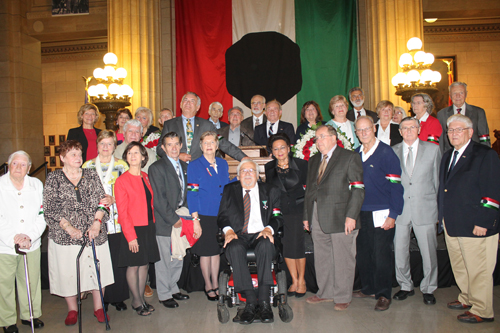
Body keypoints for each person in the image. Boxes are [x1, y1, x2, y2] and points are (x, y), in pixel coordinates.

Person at [438, 114, 500, 324]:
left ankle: (483, 310)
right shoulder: (448, 155)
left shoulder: (485, 155)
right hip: (453, 223)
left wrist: (484, 221)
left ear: (470, 132)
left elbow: (492, 192)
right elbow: (444, 190)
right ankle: (467, 298)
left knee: (478, 269)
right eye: (450, 131)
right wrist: (442, 217)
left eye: (458, 130)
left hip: (475, 224)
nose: (453, 134)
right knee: (461, 265)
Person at [43, 140, 113, 326]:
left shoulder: (91, 175)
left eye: (79, 153)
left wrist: (97, 223)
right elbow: (50, 208)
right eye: (72, 154)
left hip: (94, 232)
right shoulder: (54, 178)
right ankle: (72, 309)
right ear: (62, 157)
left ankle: (99, 307)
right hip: (65, 236)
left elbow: (103, 201)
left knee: (97, 270)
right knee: (68, 273)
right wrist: (68, 228)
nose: (78, 157)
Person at [302, 125, 364, 310]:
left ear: (333, 138)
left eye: (321, 137)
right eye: (316, 138)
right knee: (322, 256)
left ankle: (343, 296)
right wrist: (306, 216)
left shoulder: (349, 157)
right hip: (317, 215)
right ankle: (326, 293)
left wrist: (351, 216)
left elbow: (358, 189)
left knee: (343, 257)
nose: (318, 141)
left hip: (342, 217)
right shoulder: (313, 160)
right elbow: (310, 191)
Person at [218, 160, 283, 324]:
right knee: (234, 249)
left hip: (261, 233)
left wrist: (269, 228)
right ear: (238, 176)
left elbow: (277, 216)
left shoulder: (270, 191)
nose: (247, 174)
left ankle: (263, 302)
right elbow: (222, 216)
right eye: (244, 171)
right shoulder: (229, 190)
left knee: (267, 245)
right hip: (238, 234)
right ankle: (250, 303)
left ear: (258, 175)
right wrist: (229, 231)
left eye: (251, 171)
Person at [353, 116, 404, 311]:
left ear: (374, 129)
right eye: (360, 130)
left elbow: (396, 187)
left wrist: (393, 214)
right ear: (356, 133)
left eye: (367, 129)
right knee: (364, 253)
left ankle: (383, 294)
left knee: (381, 254)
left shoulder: (386, 152)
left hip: (382, 212)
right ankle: (368, 288)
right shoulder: (356, 154)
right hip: (362, 213)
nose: (364, 133)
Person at [392, 117, 441, 305]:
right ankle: (405, 285)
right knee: (400, 250)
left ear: (419, 129)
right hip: (401, 210)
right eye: (404, 128)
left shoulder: (433, 149)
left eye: (412, 127)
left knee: (428, 251)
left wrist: (437, 209)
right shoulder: (392, 151)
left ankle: (429, 288)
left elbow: (437, 181)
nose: (409, 130)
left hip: (425, 208)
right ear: (400, 131)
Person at [82, 130, 130, 312]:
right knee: (99, 260)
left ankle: (117, 297)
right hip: (94, 220)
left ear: (114, 146)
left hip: (116, 220)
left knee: (117, 260)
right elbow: (82, 194)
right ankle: (101, 299)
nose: (106, 147)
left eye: (110, 144)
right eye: (102, 144)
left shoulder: (121, 165)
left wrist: (114, 199)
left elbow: (128, 190)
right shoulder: (87, 166)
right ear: (97, 146)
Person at [0, 151, 46, 333]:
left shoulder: (36, 185)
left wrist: (29, 236)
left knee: (30, 281)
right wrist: (14, 238)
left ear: (29, 168)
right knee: (5, 283)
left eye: (23, 164)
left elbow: (42, 214)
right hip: (5, 245)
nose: (18, 167)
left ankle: (31, 315)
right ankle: (7, 319)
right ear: (8, 165)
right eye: (14, 164)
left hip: (31, 243)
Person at [115, 142, 160, 317]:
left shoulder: (146, 176)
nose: (133, 156)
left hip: (148, 226)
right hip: (133, 229)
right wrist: (131, 237)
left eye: (136, 153)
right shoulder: (122, 180)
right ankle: (135, 300)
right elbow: (123, 212)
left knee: (144, 265)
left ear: (143, 157)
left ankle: (142, 298)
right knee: (133, 266)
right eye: (130, 153)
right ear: (126, 157)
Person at [149, 132, 190, 309]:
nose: (173, 148)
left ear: (181, 145)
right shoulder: (156, 168)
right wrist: (173, 219)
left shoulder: (184, 165)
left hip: (182, 217)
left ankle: (173, 288)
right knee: (165, 259)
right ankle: (164, 294)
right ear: (163, 148)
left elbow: (187, 192)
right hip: (165, 220)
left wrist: (186, 217)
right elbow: (158, 199)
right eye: (169, 145)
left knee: (178, 256)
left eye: (176, 144)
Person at [187, 131, 229, 301]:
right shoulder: (194, 165)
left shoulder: (223, 163)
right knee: (205, 252)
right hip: (203, 215)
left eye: (212, 142)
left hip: (220, 214)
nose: (209, 145)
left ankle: (217, 284)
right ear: (201, 146)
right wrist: (195, 220)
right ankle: (207, 284)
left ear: (217, 146)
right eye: (206, 142)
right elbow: (192, 194)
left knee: (216, 251)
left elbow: (225, 186)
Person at [265, 134, 308, 297]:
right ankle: (294, 280)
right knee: (287, 246)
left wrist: (307, 214)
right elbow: (270, 192)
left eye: (282, 147)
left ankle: (302, 280)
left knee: (298, 246)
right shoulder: (269, 168)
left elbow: (309, 190)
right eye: (275, 148)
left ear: (289, 148)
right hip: (281, 212)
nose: (279, 151)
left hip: (299, 210)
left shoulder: (302, 164)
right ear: (272, 152)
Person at [158, 91, 247, 163]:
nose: (188, 103)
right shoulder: (169, 124)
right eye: (186, 100)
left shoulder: (206, 125)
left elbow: (223, 143)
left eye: (192, 101)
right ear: (181, 104)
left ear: (198, 107)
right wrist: (176, 155)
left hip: (199, 170)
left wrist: (243, 158)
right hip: (176, 169)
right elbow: (160, 149)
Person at [437, 81, 490, 153]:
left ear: (466, 94)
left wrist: (486, 155)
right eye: (454, 93)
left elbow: (484, 138)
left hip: (473, 154)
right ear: (450, 95)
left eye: (461, 93)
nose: (458, 96)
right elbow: (441, 139)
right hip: (451, 155)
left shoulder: (478, 112)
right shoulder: (441, 114)